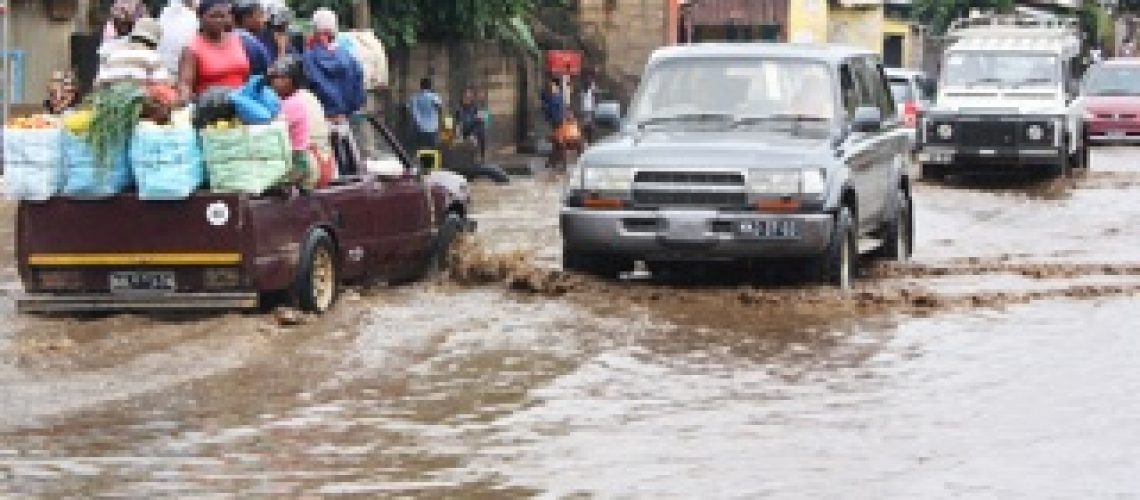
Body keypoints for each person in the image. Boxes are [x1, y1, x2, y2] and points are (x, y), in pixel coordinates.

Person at [303, 8, 365, 175]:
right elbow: (358, 99)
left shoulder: (307, 59)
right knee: (353, 175)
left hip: (318, 131)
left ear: (315, 30)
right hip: (344, 126)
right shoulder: (351, 59)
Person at [178, 0, 250, 101]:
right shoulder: (192, 49)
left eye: (222, 16)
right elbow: (185, 84)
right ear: (200, 17)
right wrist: (184, 102)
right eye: (213, 16)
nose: (218, 20)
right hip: (212, 109)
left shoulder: (238, 40)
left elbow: (247, 76)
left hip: (244, 105)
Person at [268, 56, 316, 187]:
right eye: (273, 78)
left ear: (292, 81)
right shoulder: (283, 101)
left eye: (281, 78)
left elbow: (272, 127)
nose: (275, 82)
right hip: (292, 159)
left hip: (298, 161)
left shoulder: (293, 103)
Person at [95, 17, 173, 87]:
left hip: (109, 99)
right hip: (138, 100)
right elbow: (162, 82)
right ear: (153, 44)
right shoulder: (152, 57)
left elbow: (97, 83)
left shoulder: (112, 54)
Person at [233, 0, 271, 76]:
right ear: (247, 18)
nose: (264, 20)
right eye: (260, 15)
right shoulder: (250, 42)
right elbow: (268, 71)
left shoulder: (225, 38)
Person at [408, 77, 443, 153]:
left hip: (419, 129)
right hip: (432, 129)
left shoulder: (415, 97)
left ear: (421, 86)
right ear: (430, 86)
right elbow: (439, 109)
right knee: (432, 151)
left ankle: (421, 164)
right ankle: (430, 164)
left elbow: (411, 112)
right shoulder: (434, 97)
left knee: (421, 150)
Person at [454, 87, 486, 162]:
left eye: (468, 97)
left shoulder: (476, 108)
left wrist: (473, 134)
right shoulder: (458, 109)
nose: (466, 99)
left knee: (481, 130)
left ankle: (482, 157)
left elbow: (481, 121)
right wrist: (458, 133)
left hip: (473, 130)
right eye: (465, 96)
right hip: (463, 130)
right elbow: (457, 122)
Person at [541, 77, 566, 168]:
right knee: (556, 142)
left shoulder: (556, 96)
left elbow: (555, 110)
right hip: (556, 121)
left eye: (552, 86)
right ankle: (554, 161)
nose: (551, 87)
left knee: (558, 142)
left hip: (557, 121)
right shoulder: (554, 96)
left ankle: (554, 161)